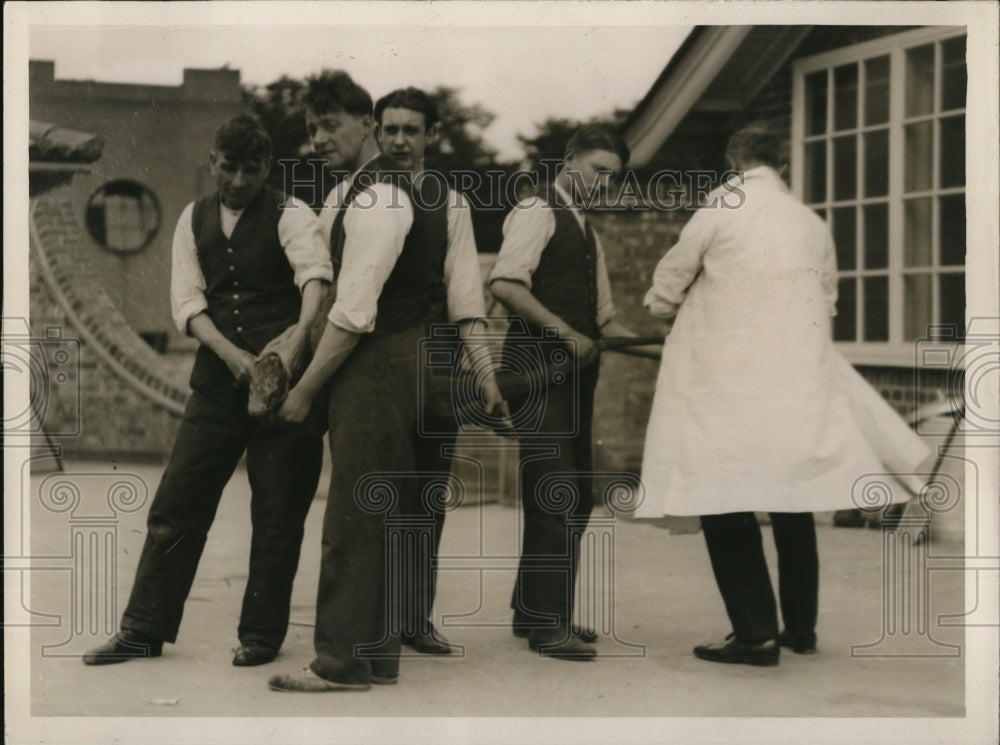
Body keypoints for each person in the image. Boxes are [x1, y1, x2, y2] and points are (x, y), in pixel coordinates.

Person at [636, 125, 930, 666]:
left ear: (733, 160)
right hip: (794, 378)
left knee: (723, 495)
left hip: (726, 378)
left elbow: (670, 280)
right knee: (791, 493)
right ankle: (800, 628)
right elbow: (828, 298)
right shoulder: (810, 222)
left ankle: (754, 635)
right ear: (783, 166)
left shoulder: (724, 204)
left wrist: (665, 305)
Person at [266, 71, 500, 692]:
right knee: (384, 511)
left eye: (331, 125)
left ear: (363, 123)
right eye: (311, 128)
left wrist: (305, 389)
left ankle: (339, 661)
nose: (318, 138)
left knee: (353, 514)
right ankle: (376, 656)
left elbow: (354, 312)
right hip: (400, 364)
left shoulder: (379, 199)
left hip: (377, 368)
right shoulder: (364, 192)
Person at [83, 114, 332, 668]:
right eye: (229, 167)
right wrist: (234, 357)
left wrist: (291, 346)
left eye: (251, 169)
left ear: (267, 167)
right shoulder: (191, 220)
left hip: (286, 389)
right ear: (212, 162)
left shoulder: (294, 214)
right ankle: (143, 628)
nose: (239, 179)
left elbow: (316, 279)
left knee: (278, 514)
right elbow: (188, 305)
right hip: (217, 387)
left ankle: (261, 636)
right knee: (178, 502)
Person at [488, 126, 644, 661]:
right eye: (599, 171)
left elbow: (604, 319)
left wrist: (667, 344)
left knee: (573, 496)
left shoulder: (587, 228)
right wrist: (565, 333)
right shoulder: (537, 211)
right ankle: (548, 626)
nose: (606, 184)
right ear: (570, 160)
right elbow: (506, 284)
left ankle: (536, 608)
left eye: (614, 178)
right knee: (556, 493)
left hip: (575, 378)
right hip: (534, 375)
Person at [373, 86, 506, 656]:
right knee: (373, 493)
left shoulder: (451, 204)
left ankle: (413, 618)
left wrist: (487, 377)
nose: (400, 139)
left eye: (411, 129)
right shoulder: (356, 197)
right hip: (372, 367)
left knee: (426, 497)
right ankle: (366, 619)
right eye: (391, 128)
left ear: (429, 136)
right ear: (376, 132)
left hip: (434, 369)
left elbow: (467, 301)